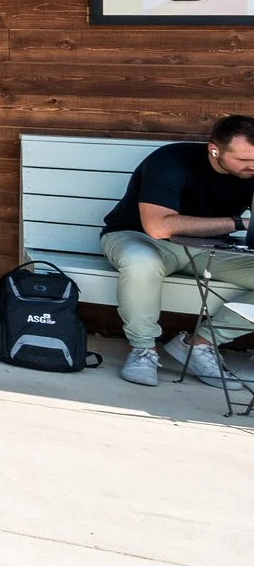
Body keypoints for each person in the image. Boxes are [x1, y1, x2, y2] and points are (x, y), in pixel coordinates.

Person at [102, 117, 254, 386]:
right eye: (243, 159)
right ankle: (142, 350)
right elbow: (157, 227)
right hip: (138, 238)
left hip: (209, 248)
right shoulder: (171, 160)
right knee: (141, 262)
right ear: (214, 150)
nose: (252, 166)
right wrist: (239, 223)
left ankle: (199, 344)